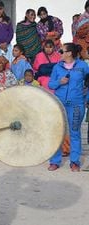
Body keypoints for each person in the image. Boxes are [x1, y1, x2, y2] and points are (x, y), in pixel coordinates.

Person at [48, 43, 89, 172]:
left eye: (62, 51)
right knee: (57, 132)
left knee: (75, 132)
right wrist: (60, 82)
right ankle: (55, 161)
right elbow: (51, 85)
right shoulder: (57, 67)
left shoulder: (83, 66)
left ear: (69, 53)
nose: (59, 53)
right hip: (59, 103)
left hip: (77, 104)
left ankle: (74, 162)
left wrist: (86, 99)